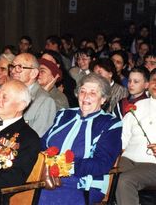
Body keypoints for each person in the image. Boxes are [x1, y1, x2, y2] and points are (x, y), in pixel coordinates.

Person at [39, 73, 122, 204]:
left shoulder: (110, 123)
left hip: (84, 185)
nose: (86, 96)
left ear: (103, 99)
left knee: (40, 198)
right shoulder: (63, 115)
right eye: (82, 91)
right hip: (47, 176)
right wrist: (48, 162)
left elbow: (102, 164)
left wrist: (64, 166)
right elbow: (43, 144)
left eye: (93, 93)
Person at [116, 69, 156, 205]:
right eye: (154, 80)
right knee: (102, 170)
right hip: (127, 159)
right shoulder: (138, 106)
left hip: (152, 164)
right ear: (148, 84)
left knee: (126, 180)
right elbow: (123, 137)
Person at [9, 53, 56, 136]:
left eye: (19, 67)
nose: (13, 71)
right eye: (12, 66)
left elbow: (37, 138)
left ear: (33, 73)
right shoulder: (8, 93)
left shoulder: (44, 101)